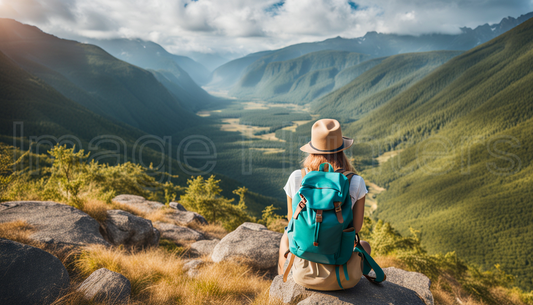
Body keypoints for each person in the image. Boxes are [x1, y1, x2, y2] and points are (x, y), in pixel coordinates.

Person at [278, 118, 371, 275]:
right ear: (342, 150)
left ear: (312, 150)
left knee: (286, 236)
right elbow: (356, 228)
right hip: (338, 262)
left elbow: (292, 220)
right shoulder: (355, 181)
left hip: (303, 258)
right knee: (365, 246)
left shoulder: (296, 177)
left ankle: (283, 281)